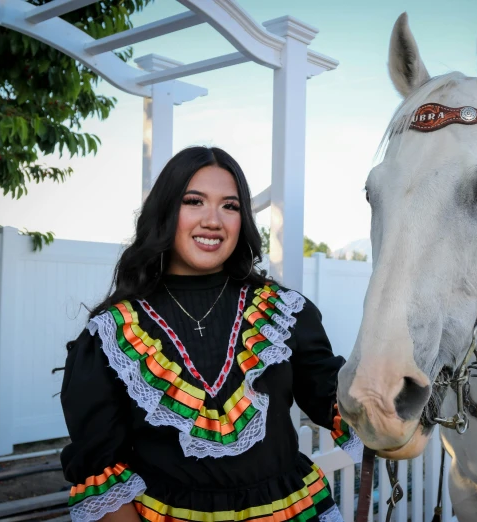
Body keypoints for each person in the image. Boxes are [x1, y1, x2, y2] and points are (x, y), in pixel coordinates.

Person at [59, 146, 361, 522]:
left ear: (243, 221)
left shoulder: (283, 310)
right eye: (194, 201)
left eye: (230, 206)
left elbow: (340, 401)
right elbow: (100, 468)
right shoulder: (114, 330)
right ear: (166, 211)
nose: (213, 220)